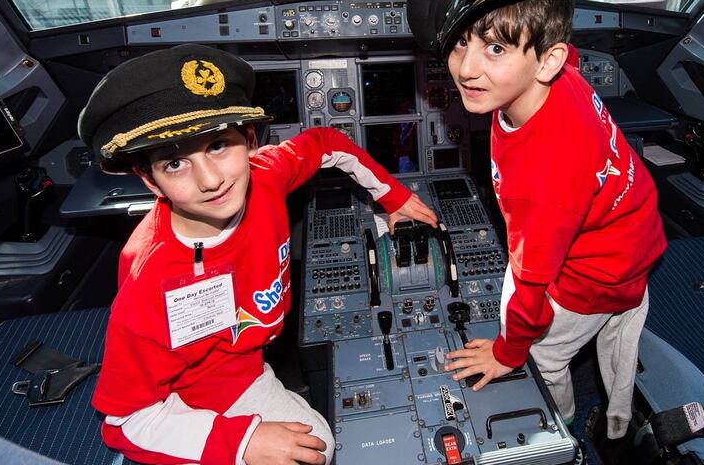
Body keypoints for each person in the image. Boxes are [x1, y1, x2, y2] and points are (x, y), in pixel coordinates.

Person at [78, 44, 437, 465]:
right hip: (193, 393)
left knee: (318, 446)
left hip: (243, 362)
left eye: (218, 146)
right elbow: (124, 421)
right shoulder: (150, 282)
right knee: (309, 453)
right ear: (149, 179)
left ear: (249, 141)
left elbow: (326, 143)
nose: (210, 180)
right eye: (175, 163)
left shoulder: (266, 175)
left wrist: (392, 197)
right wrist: (241, 442)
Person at [407, 0, 667, 441]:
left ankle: (563, 428)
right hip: (632, 235)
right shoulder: (560, 75)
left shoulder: (543, 171)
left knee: (544, 354)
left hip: (591, 271)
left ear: (545, 60)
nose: (467, 69)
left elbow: (530, 281)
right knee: (616, 333)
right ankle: (617, 425)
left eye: (496, 49)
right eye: (460, 43)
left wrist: (508, 350)